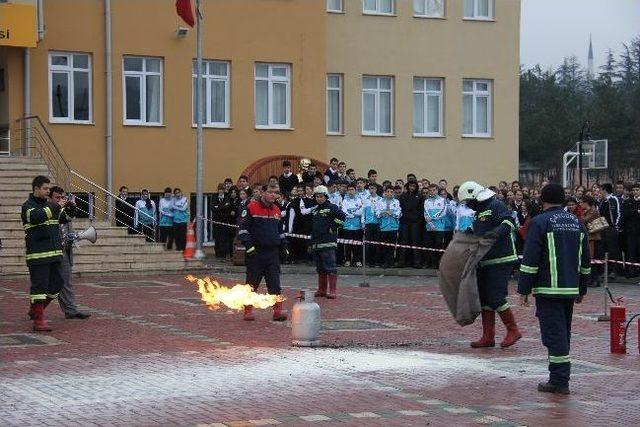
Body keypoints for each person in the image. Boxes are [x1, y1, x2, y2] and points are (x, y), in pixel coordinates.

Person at [518, 183, 591, 395]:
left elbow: (531, 257)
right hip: (570, 288)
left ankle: (559, 381)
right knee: (563, 332)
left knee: (554, 334)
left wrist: (524, 288)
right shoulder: (577, 223)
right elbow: (585, 259)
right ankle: (560, 377)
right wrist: (582, 288)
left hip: (548, 288)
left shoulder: (540, 222)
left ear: (542, 201)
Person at [458, 181, 521, 349]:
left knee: (495, 297)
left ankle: (513, 330)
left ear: (474, 196)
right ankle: (488, 337)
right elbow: (474, 230)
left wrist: (495, 233)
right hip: (484, 261)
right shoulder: (478, 213)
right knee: (485, 298)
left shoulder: (495, 205)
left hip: (501, 259)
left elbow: (508, 223)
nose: (468, 205)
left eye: (467, 201)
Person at [22, 176, 75, 331]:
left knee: (57, 284)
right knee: (39, 287)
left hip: (54, 254)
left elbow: (64, 219)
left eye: (48, 188)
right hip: (38, 256)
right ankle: (38, 320)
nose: (47, 191)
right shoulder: (28, 206)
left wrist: (71, 209)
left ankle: (35, 309)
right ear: (36, 189)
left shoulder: (50, 206)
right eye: (45, 188)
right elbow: (36, 218)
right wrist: (55, 206)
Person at [238, 183, 288, 321]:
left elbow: (280, 231)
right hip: (256, 253)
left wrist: (284, 247)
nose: (274, 195)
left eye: (276, 193)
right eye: (271, 192)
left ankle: (277, 311)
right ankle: (247, 311)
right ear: (262, 193)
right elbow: (243, 230)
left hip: (272, 254)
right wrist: (249, 247)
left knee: (275, 284)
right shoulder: (251, 207)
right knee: (251, 284)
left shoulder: (277, 210)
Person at [48, 186, 90, 320]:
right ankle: (36, 309)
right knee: (46, 284)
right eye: (57, 197)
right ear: (50, 198)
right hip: (51, 251)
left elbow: (67, 226)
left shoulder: (65, 210)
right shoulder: (47, 211)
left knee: (65, 280)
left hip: (64, 250)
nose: (61, 200)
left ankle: (70, 309)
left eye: (62, 197)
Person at [310, 185, 346, 299]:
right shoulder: (315, 210)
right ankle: (322, 290)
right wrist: (311, 243)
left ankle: (332, 290)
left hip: (328, 242)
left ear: (326, 197)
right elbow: (314, 227)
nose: (318, 198)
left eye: (321, 196)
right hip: (317, 242)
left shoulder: (332, 207)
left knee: (330, 267)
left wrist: (334, 226)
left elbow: (342, 216)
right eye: (317, 196)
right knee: (320, 268)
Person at [598, 183, 623, 279]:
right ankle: (605, 270)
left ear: (604, 190)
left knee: (613, 250)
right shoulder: (602, 201)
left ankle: (614, 270)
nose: (599, 191)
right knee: (603, 250)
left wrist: (615, 226)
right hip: (603, 228)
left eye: (600, 189)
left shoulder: (614, 199)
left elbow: (619, 213)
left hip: (611, 229)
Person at [397, 180, 423, 268]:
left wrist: (418, 221)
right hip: (404, 222)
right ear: (407, 186)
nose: (412, 188)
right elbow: (400, 208)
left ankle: (417, 262)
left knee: (415, 242)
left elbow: (421, 210)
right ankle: (401, 262)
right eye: (410, 186)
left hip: (415, 223)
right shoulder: (403, 196)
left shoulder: (420, 196)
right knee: (403, 241)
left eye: (413, 186)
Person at [375, 186, 402, 269]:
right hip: (383, 227)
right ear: (385, 192)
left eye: (391, 191)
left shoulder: (396, 202)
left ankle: (390, 262)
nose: (389, 193)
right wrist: (382, 213)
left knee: (392, 246)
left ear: (393, 193)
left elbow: (399, 213)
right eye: (388, 191)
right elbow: (376, 213)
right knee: (384, 246)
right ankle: (384, 262)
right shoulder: (380, 201)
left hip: (393, 227)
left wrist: (391, 213)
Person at [423, 184, 447, 269]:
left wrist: (432, 218)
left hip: (439, 227)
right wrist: (430, 224)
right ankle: (430, 263)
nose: (432, 192)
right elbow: (425, 213)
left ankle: (439, 263)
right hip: (429, 227)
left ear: (437, 190)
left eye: (434, 190)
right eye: (431, 190)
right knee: (429, 245)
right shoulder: (427, 201)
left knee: (438, 245)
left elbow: (443, 212)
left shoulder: (442, 200)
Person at [341, 183, 363, 267]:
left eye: (352, 190)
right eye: (349, 190)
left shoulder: (359, 200)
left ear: (355, 190)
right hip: (347, 226)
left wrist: (353, 212)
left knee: (357, 244)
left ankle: (357, 260)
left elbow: (361, 211)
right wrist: (353, 213)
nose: (350, 191)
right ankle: (347, 260)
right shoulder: (345, 200)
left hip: (357, 226)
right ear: (347, 191)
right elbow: (344, 212)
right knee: (347, 244)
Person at [622, 183, 640, 278]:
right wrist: (637, 211)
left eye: (637, 190)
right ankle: (632, 271)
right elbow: (626, 214)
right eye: (634, 190)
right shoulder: (628, 202)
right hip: (630, 231)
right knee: (631, 252)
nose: (635, 192)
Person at [362, 182, 381, 267]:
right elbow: (363, 212)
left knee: (376, 244)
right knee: (368, 244)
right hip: (368, 224)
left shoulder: (380, 199)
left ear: (376, 189)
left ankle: (376, 261)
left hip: (377, 224)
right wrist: (363, 222)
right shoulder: (366, 200)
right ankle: (367, 262)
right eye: (370, 189)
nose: (371, 190)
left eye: (373, 188)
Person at [212, 183, 231, 259]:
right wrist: (223, 207)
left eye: (222, 189)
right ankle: (217, 254)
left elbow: (228, 206)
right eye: (220, 189)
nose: (221, 191)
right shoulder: (214, 196)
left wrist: (218, 207)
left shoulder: (227, 196)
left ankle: (223, 254)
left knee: (224, 238)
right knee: (217, 238)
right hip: (216, 221)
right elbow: (213, 208)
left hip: (224, 220)